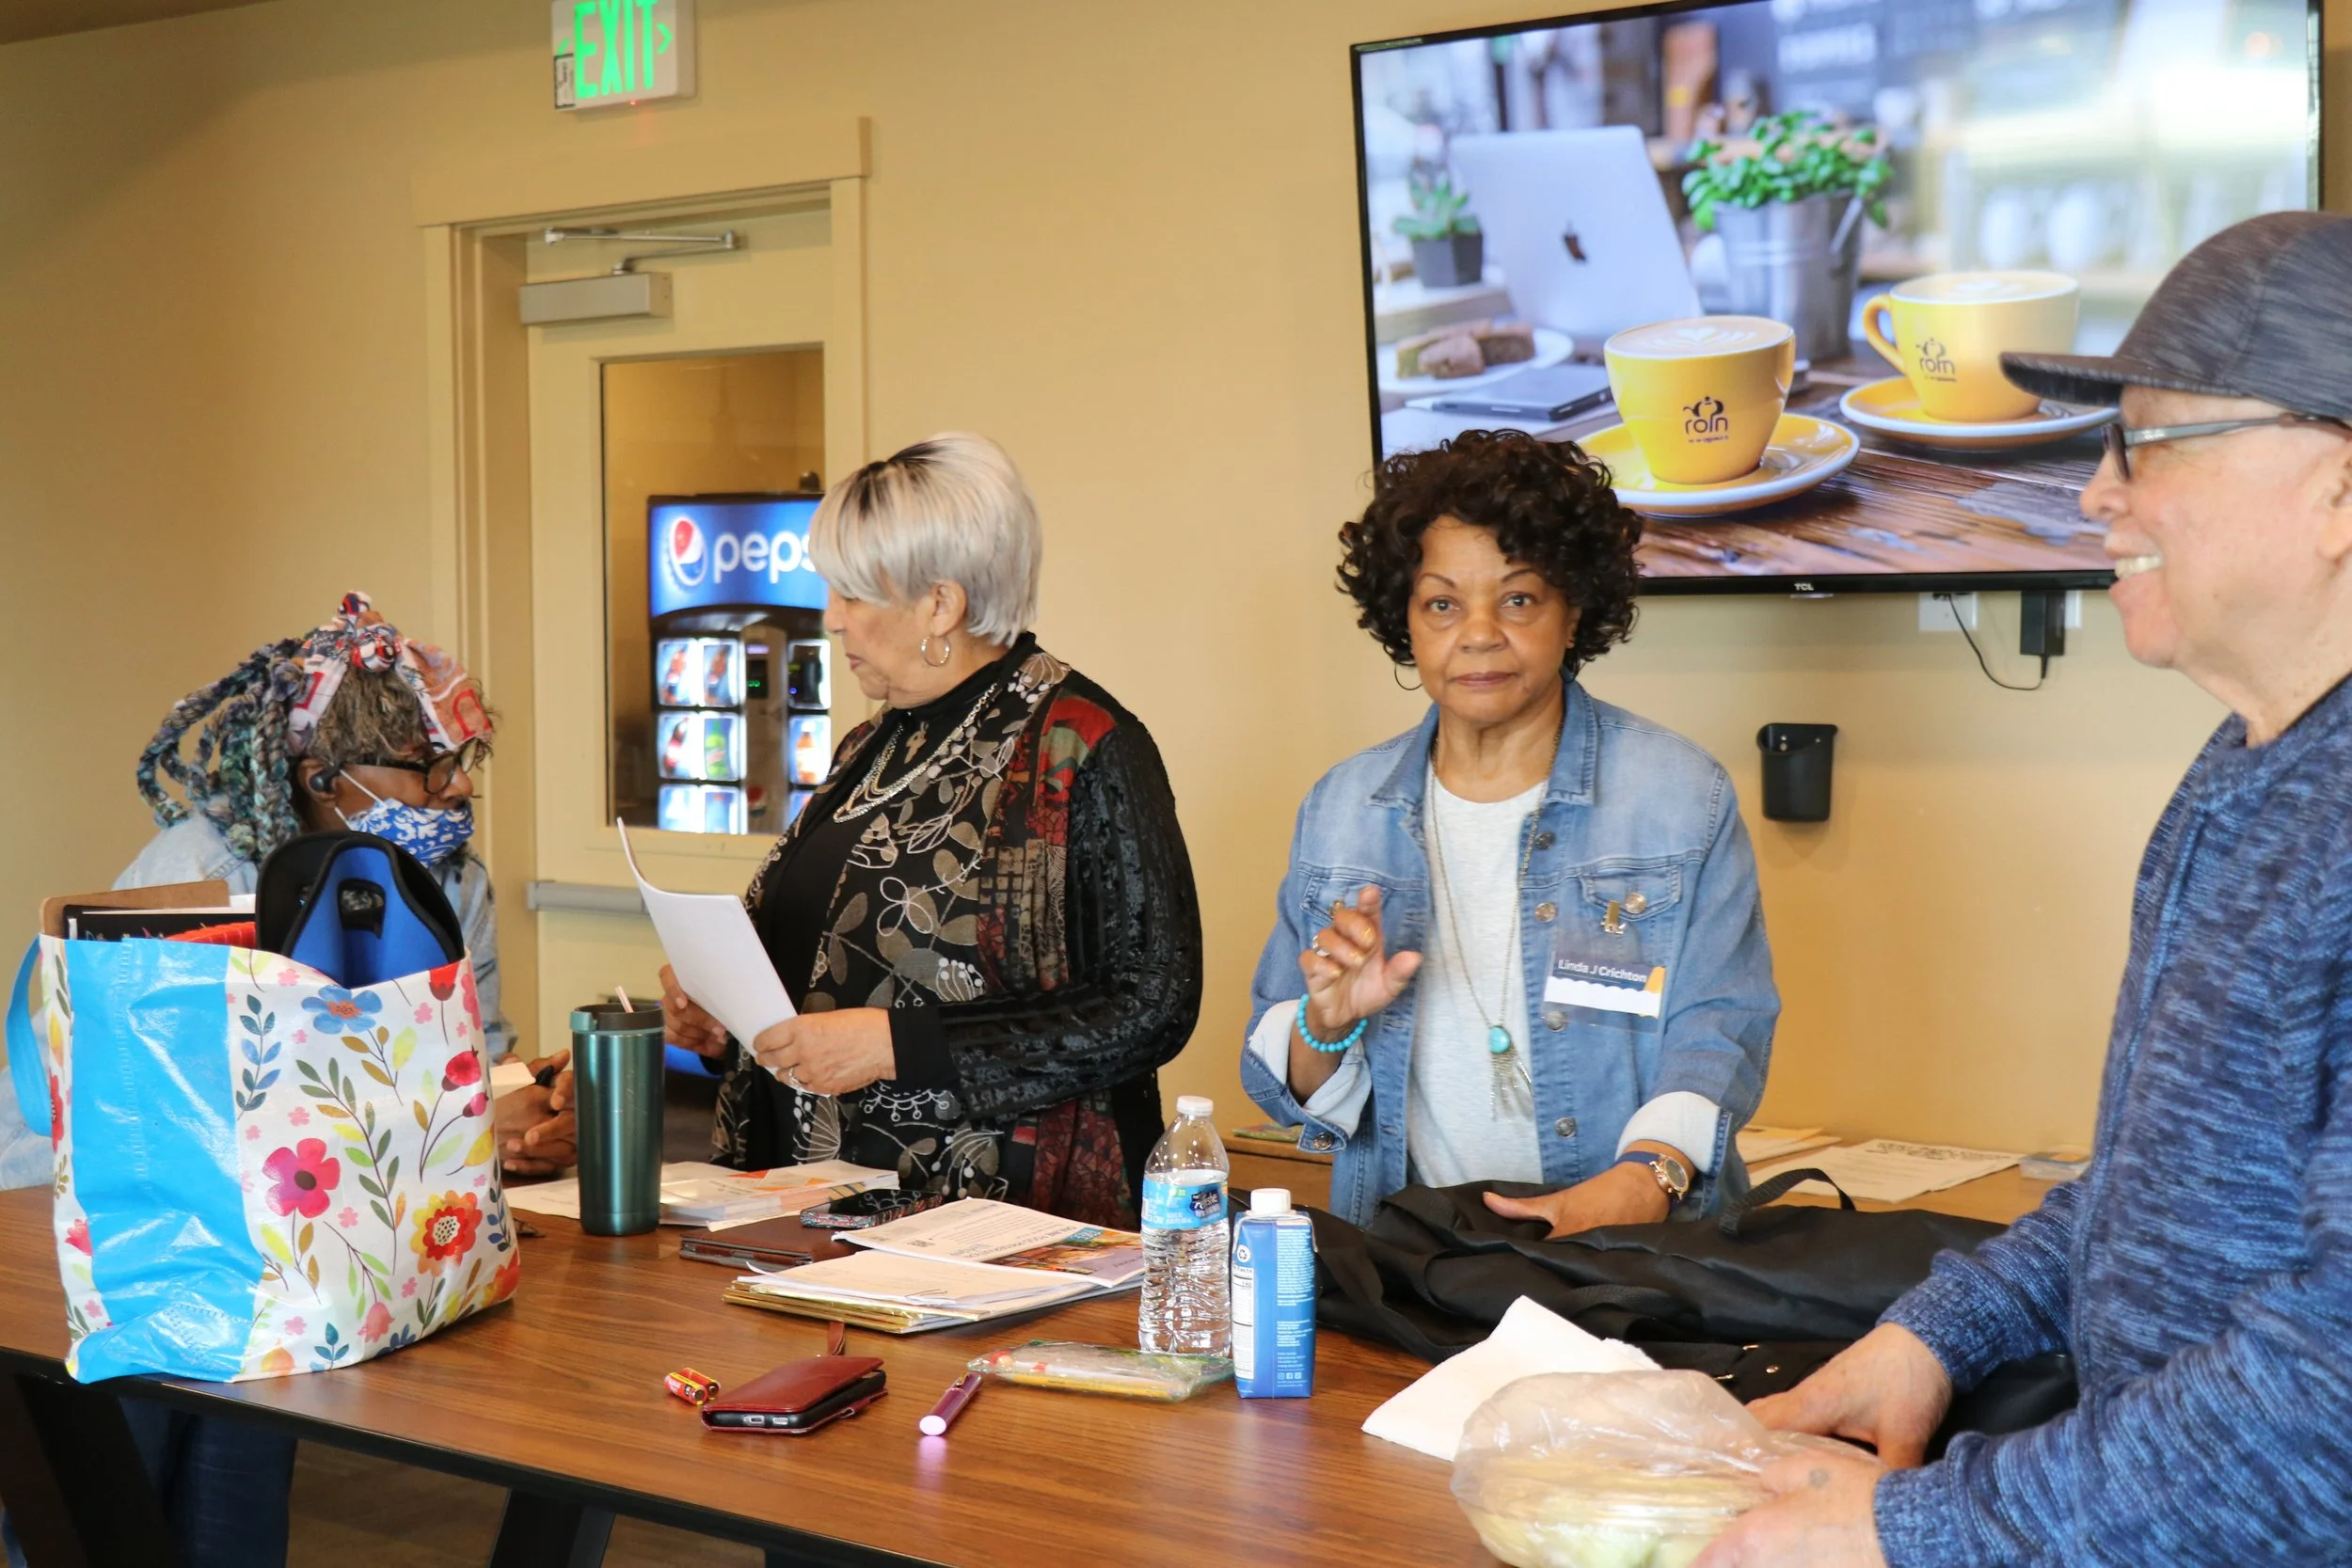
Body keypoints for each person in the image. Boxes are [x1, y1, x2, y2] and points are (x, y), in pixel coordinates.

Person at [1698, 214, 2352, 1568]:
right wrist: (1938, 1335)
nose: (2096, 493)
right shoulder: (2244, 767)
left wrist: (1913, 1525)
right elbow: (2157, 1193)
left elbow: (2331, 1398)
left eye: (2144, 444)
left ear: (2337, 486)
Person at [0, 593, 572, 1568]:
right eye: (428, 765)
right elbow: (123, 1071)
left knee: (242, 1468)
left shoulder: (451, 883)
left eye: (463, 759)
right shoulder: (198, 872)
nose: (457, 788)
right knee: (112, 1473)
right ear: (321, 778)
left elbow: (465, 1052)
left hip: (295, 1226)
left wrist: (517, 1106)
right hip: (129, 1210)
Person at [1238, 428, 1777, 1234]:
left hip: (1632, 1251)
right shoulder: (1343, 808)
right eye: (1443, 603)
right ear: (1405, 620)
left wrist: (1645, 1179)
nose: (1479, 632)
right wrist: (1329, 1024)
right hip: (1413, 1253)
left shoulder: (1678, 795)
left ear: (1574, 610)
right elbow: (1285, 1084)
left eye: (1518, 599)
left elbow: (1720, 1023)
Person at [661, 434, 1202, 1227]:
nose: (832, 620)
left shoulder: (1080, 743)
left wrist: (897, 1044)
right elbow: (829, 967)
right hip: (812, 1206)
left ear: (941, 605)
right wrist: (725, 1024)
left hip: (995, 1226)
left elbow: (1151, 1004)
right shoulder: (868, 745)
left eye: (853, 595)